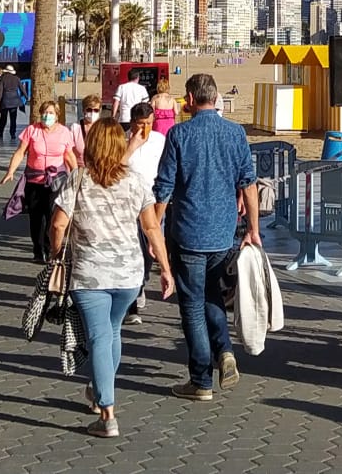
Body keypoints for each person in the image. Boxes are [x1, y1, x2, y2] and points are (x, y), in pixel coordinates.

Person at [49, 118, 174, 438]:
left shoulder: (78, 179)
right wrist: (165, 268)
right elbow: (151, 228)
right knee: (112, 330)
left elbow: (58, 225)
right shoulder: (134, 181)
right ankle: (98, 389)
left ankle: (107, 413)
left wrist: (56, 252)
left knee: (100, 338)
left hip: (90, 275)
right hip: (129, 275)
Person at [151, 72, 261, 401]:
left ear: (190, 98)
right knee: (212, 295)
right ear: (215, 98)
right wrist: (254, 229)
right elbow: (249, 184)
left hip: (188, 233)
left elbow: (164, 190)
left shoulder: (179, 135)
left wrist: (152, 230)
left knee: (193, 306)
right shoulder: (235, 133)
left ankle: (200, 379)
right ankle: (224, 351)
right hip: (223, 233)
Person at [0, 100, 80, 262]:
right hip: (34, 180)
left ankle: (50, 249)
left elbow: (69, 156)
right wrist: (10, 171)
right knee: (35, 217)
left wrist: (76, 176)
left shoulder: (64, 132)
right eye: (44, 112)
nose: (46, 116)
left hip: (56, 181)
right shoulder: (32, 130)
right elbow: (20, 152)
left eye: (50, 113)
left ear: (57, 116)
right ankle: (37, 249)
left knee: (51, 216)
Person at [124, 100, 168, 324]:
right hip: (127, 204)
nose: (145, 128)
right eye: (140, 124)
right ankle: (131, 304)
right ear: (132, 123)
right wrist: (131, 145)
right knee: (132, 252)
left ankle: (141, 281)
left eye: (149, 123)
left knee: (150, 251)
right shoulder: (122, 140)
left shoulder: (160, 141)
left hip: (153, 202)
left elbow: (166, 173)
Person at [0, 66, 25, 142]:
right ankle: (12, 133)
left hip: (5, 101)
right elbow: (22, 88)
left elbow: (0, 91)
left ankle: (1, 131)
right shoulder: (16, 78)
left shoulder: (3, 79)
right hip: (14, 101)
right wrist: (26, 96)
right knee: (13, 119)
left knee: (3, 118)